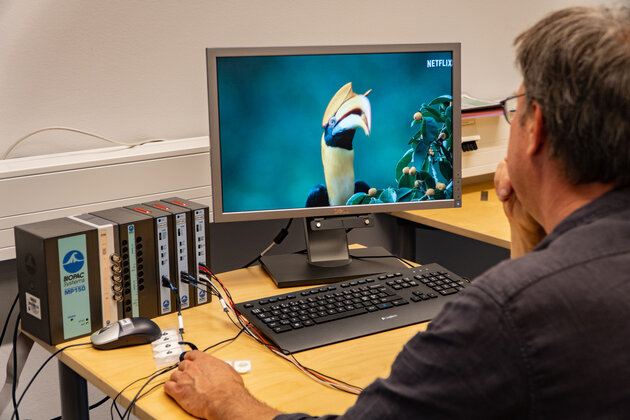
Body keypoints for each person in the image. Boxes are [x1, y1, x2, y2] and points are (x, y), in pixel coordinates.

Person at [164, 6, 630, 419]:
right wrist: (526, 229)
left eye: (514, 110)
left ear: (536, 131)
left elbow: (528, 308)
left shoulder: (499, 314)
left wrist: (226, 399)